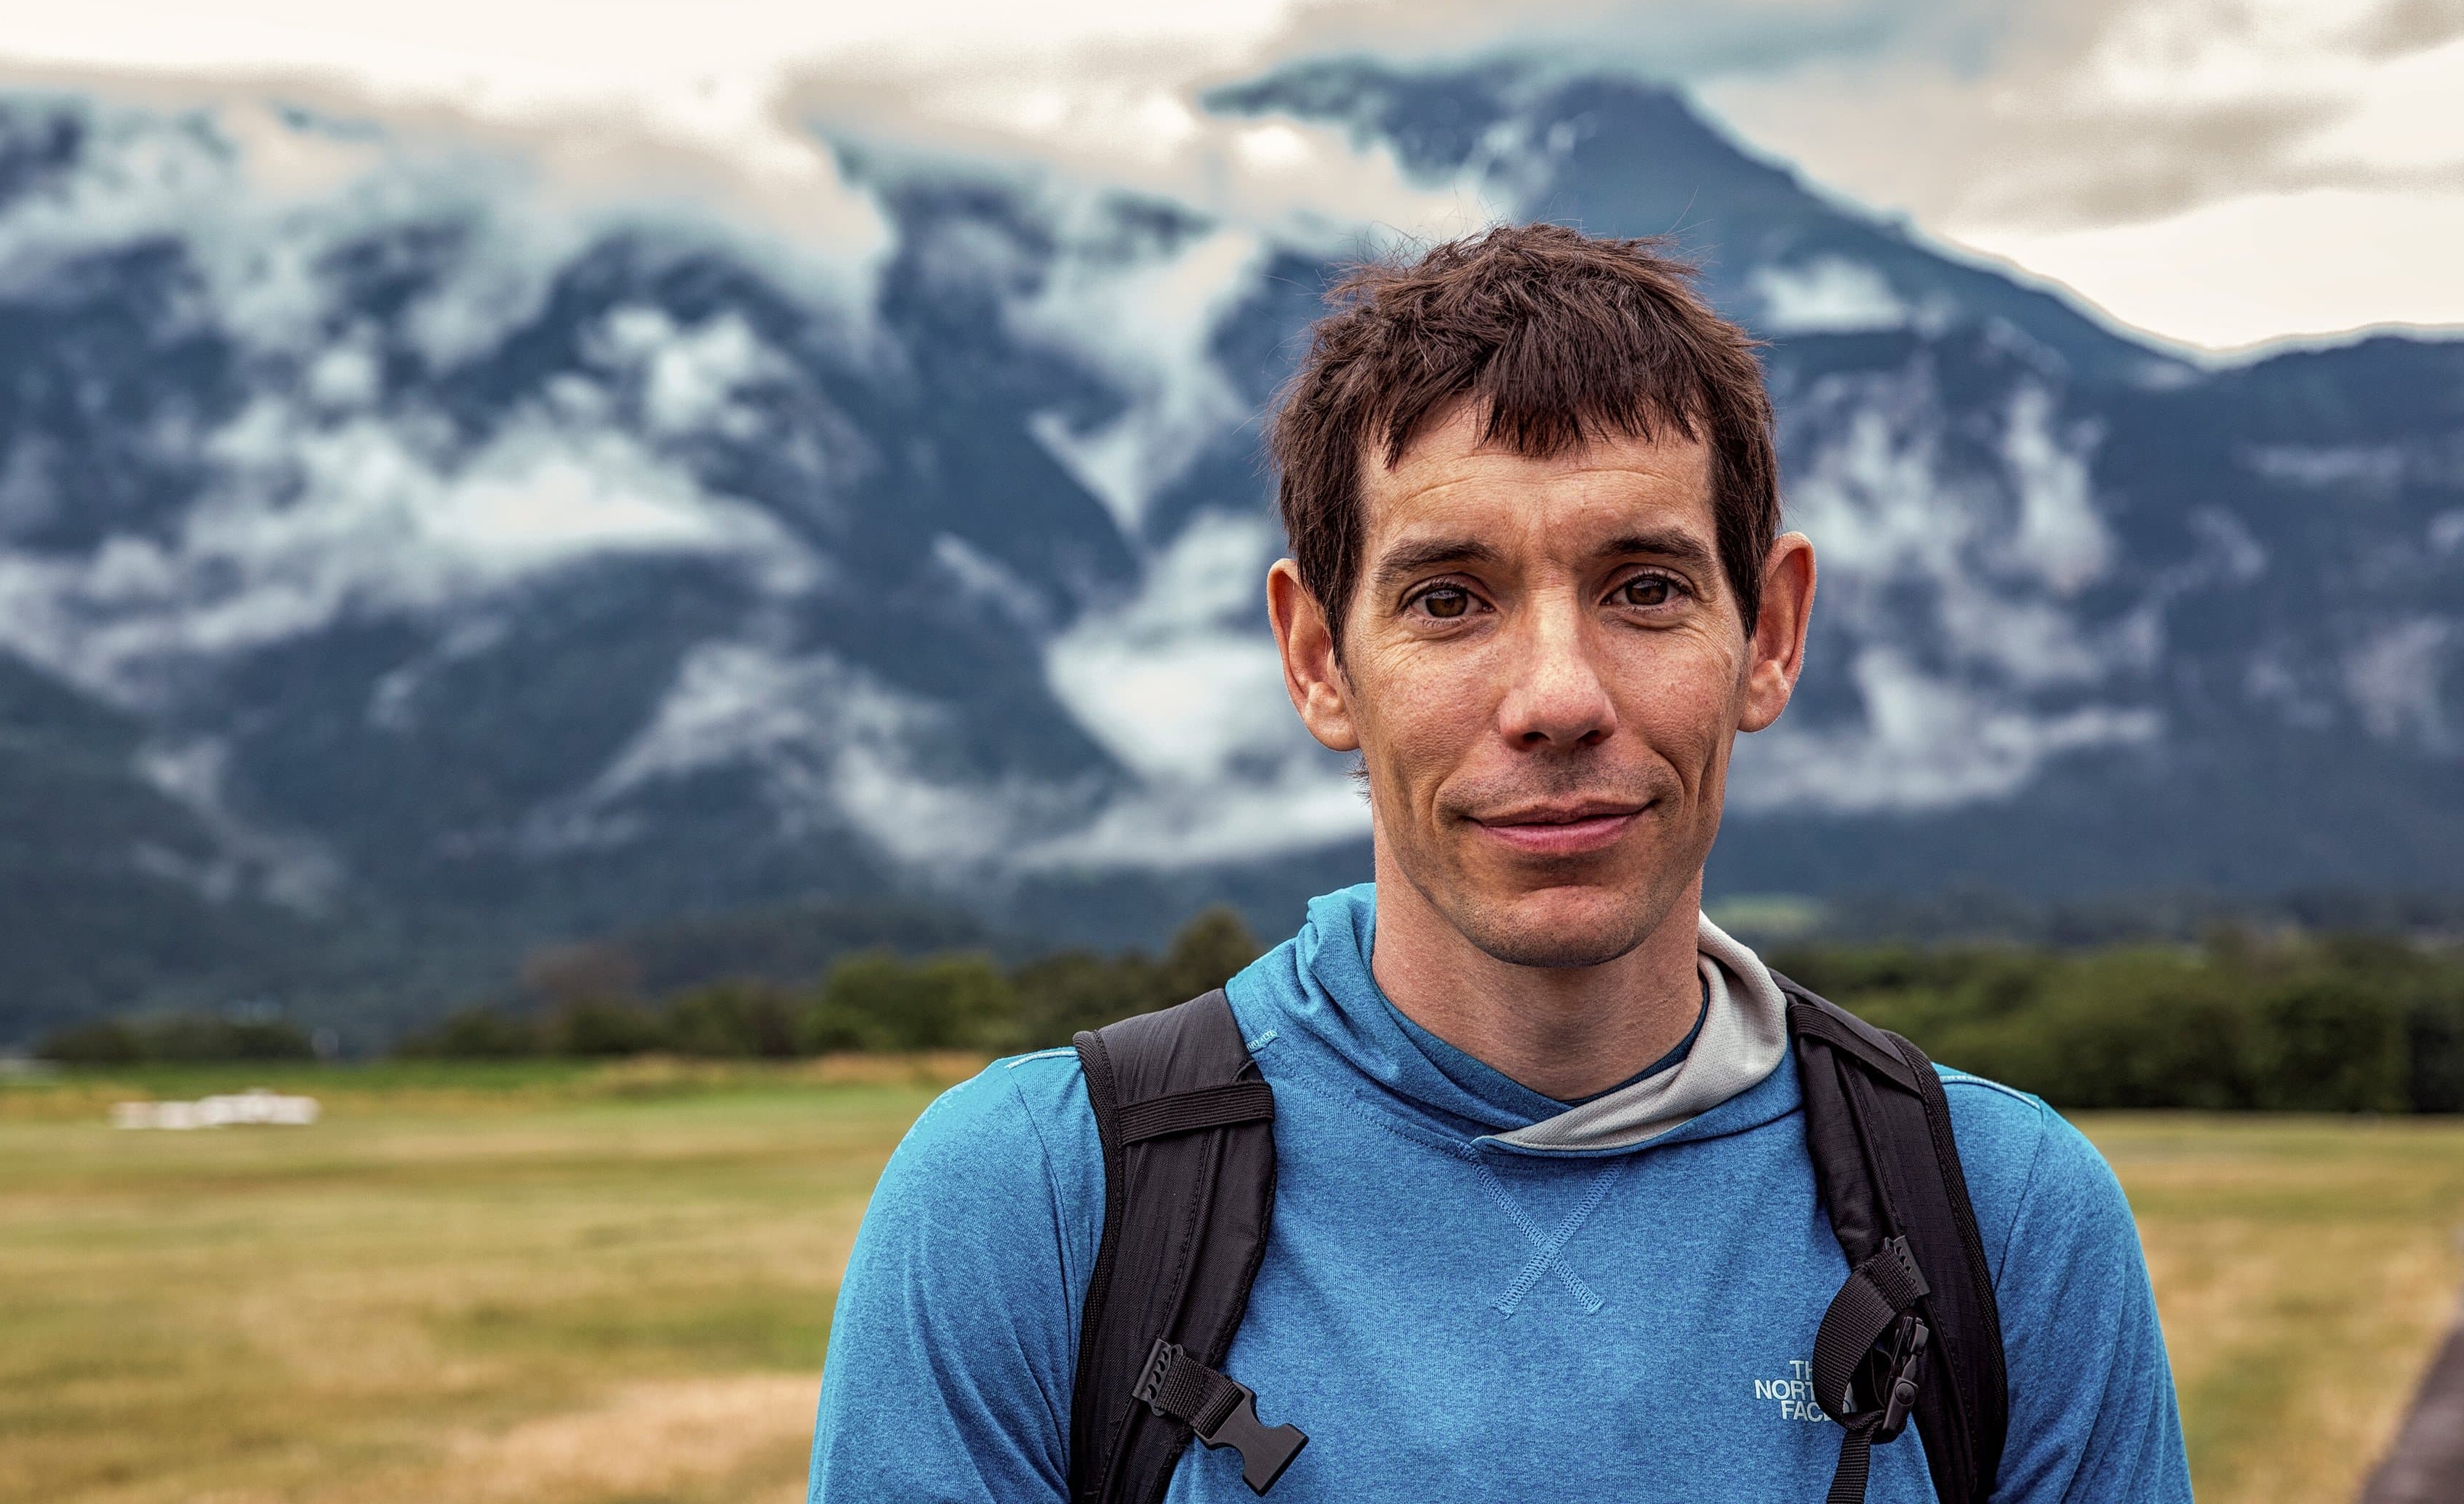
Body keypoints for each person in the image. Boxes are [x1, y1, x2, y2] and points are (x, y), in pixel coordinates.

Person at [807, 224, 2192, 1503]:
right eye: (1448, 600)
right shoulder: (1041, 1204)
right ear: (1317, 659)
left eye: (1644, 587)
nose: (1556, 696)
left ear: (1768, 633)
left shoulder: (2004, 1223)